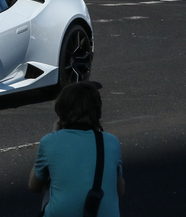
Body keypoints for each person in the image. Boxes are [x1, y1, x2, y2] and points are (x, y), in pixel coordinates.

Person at [29, 82, 125, 217]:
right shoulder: (111, 141)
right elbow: (119, 190)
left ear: (61, 111)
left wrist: (54, 133)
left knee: (50, 183)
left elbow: (34, 186)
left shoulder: (50, 141)